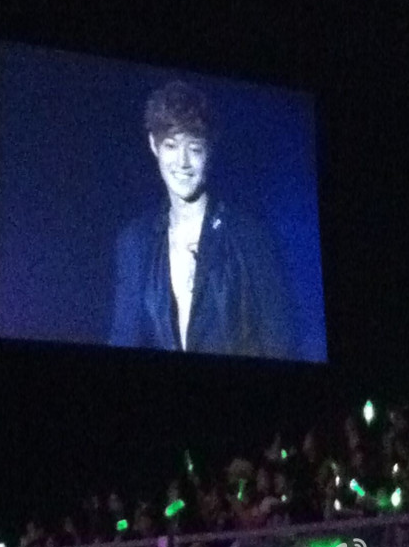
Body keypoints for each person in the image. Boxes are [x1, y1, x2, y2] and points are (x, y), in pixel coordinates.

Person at [110, 79, 296, 357]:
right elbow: (124, 336)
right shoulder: (135, 242)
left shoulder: (249, 236)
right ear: (154, 145)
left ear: (209, 149)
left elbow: (280, 342)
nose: (183, 162)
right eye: (171, 146)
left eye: (194, 148)